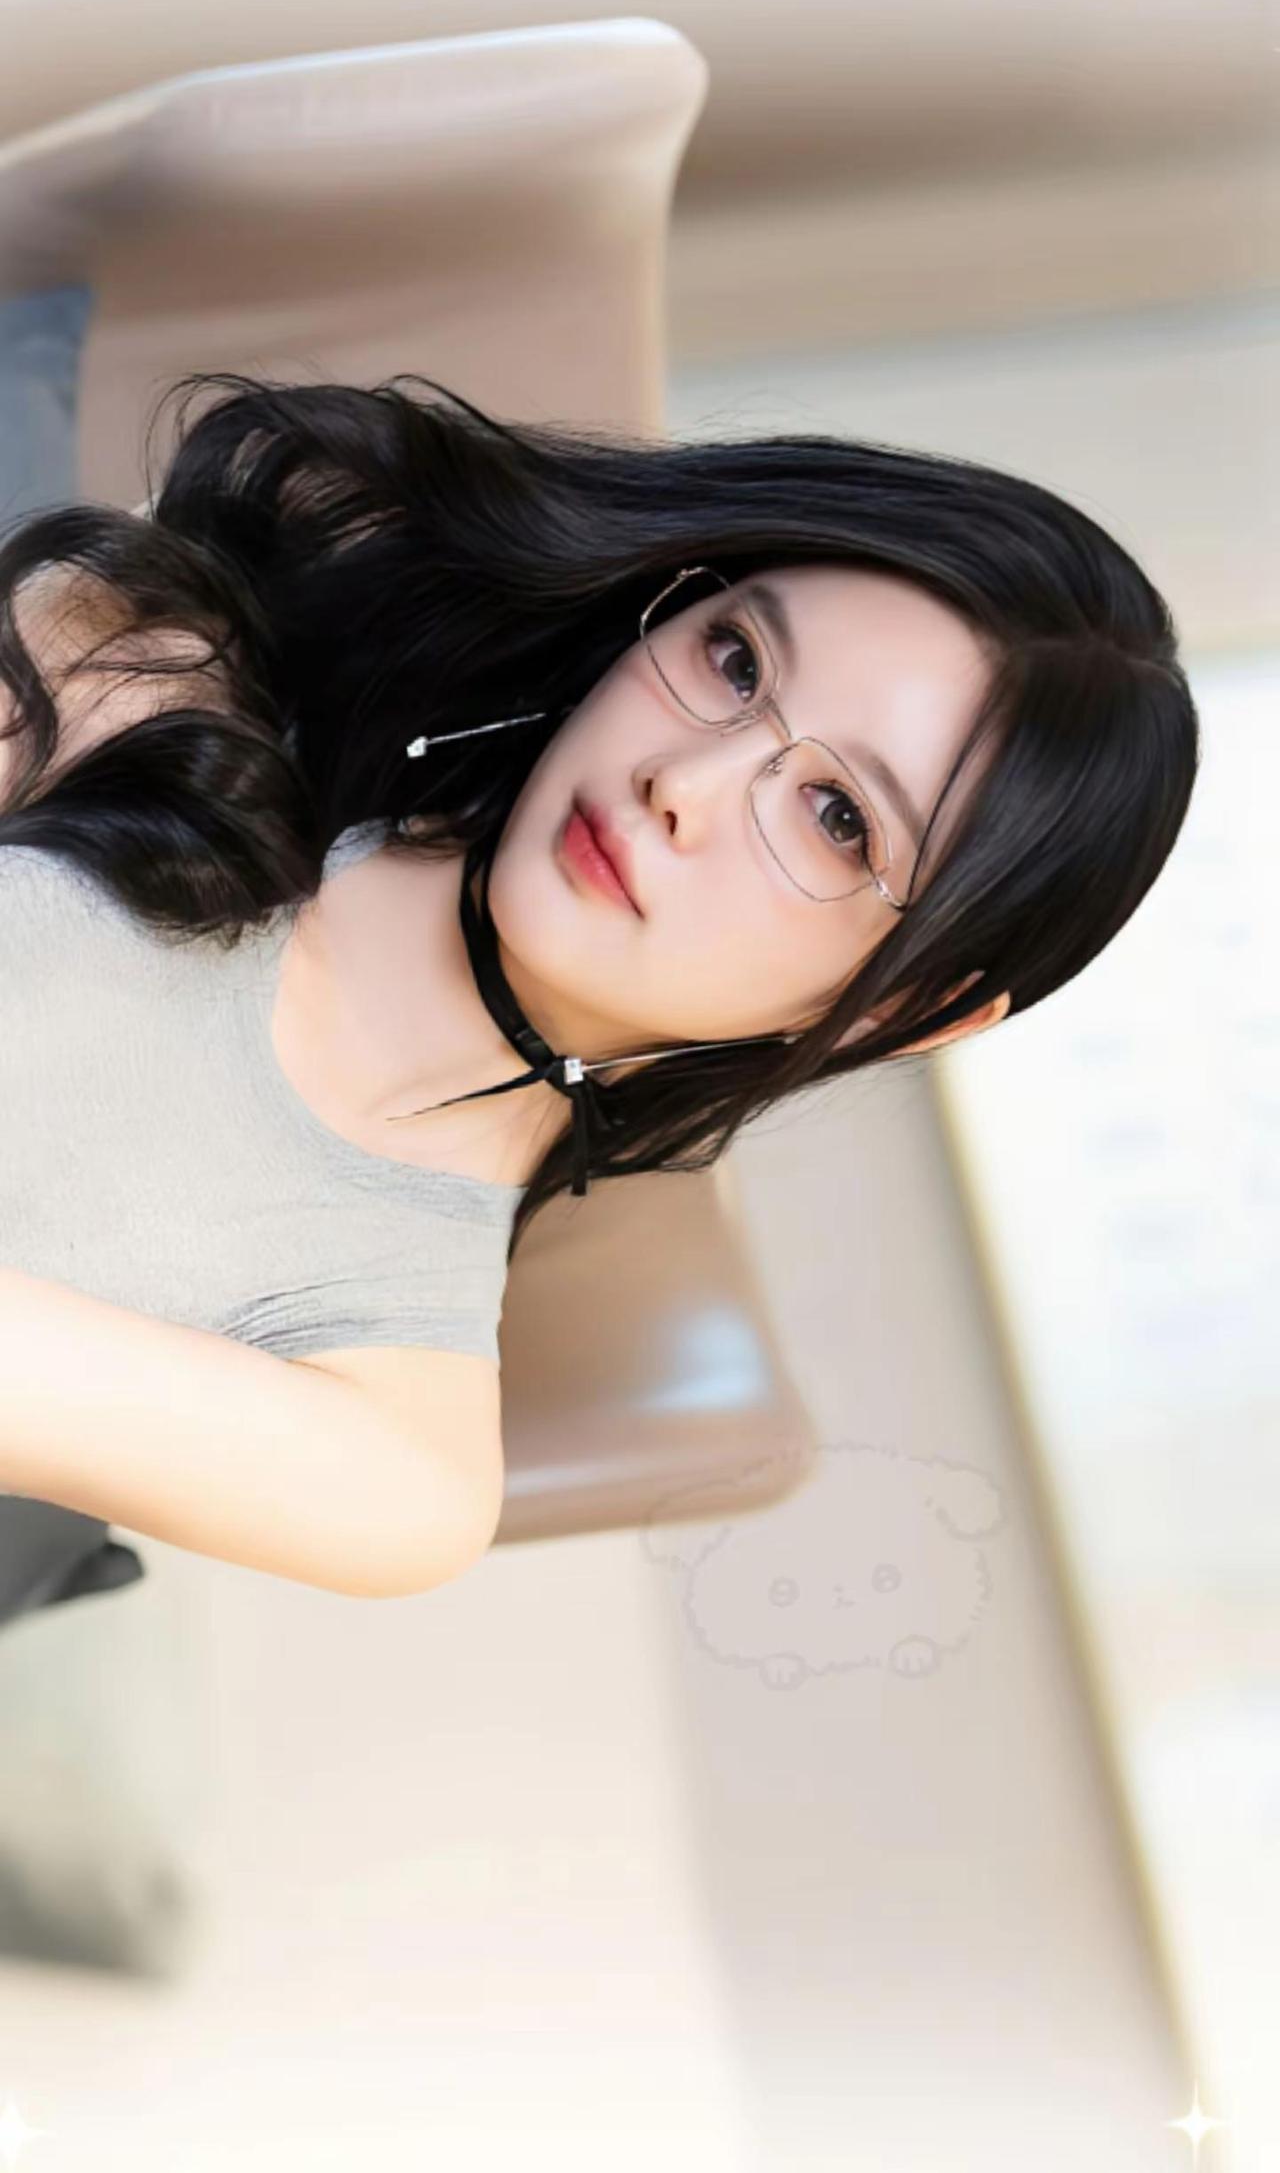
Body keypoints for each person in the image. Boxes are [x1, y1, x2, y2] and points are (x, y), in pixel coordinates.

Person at [0, 364, 1200, 1618]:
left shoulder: (401, 1448)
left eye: (837, 817)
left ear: (903, 1011)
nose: (684, 781)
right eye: (733, 662)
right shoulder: (173, 666)